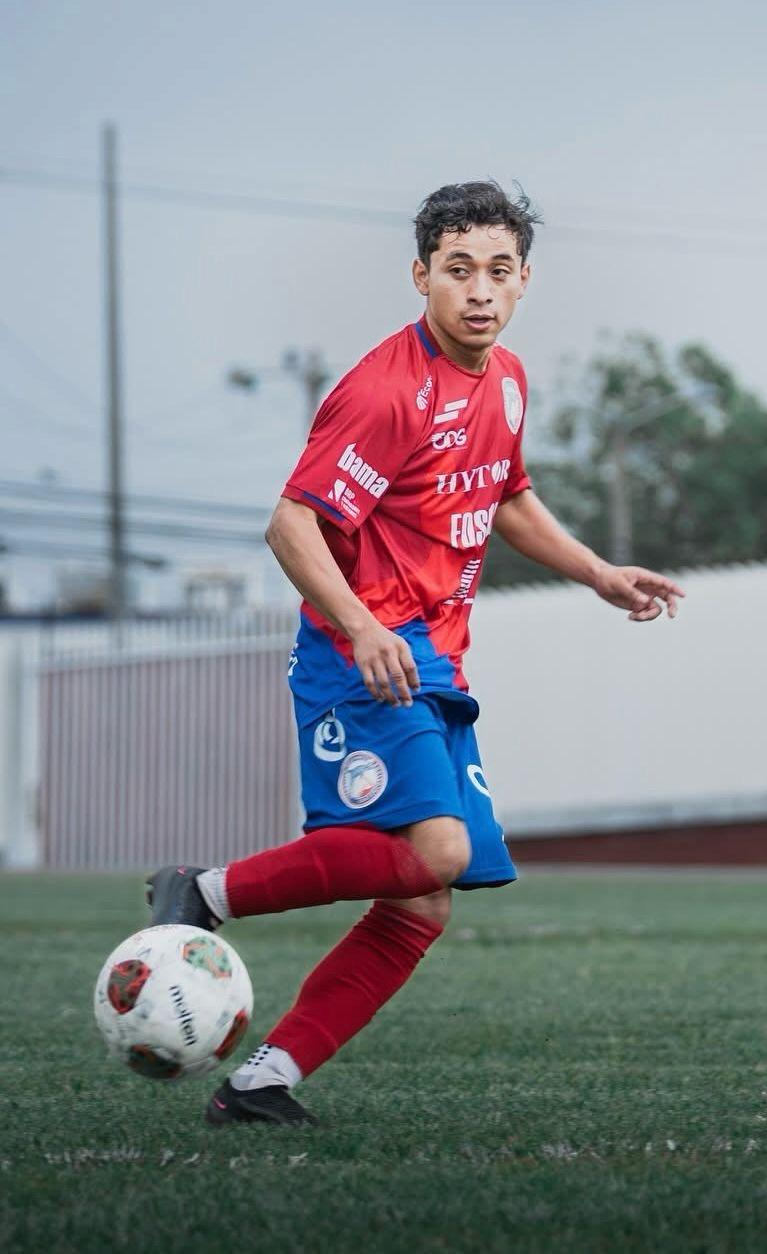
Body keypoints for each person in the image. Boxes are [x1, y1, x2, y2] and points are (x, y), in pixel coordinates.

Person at [145, 181, 684, 1127]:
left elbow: (505, 496)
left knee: (424, 902)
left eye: (499, 272)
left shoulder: (508, 378)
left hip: (433, 658)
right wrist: (360, 627)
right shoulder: (385, 391)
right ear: (422, 275)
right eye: (459, 270)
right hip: (361, 661)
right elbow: (290, 524)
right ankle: (204, 892)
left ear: (525, 282)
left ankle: (263, 1082)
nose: (480, 290)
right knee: (438, 850)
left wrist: (596, 571)